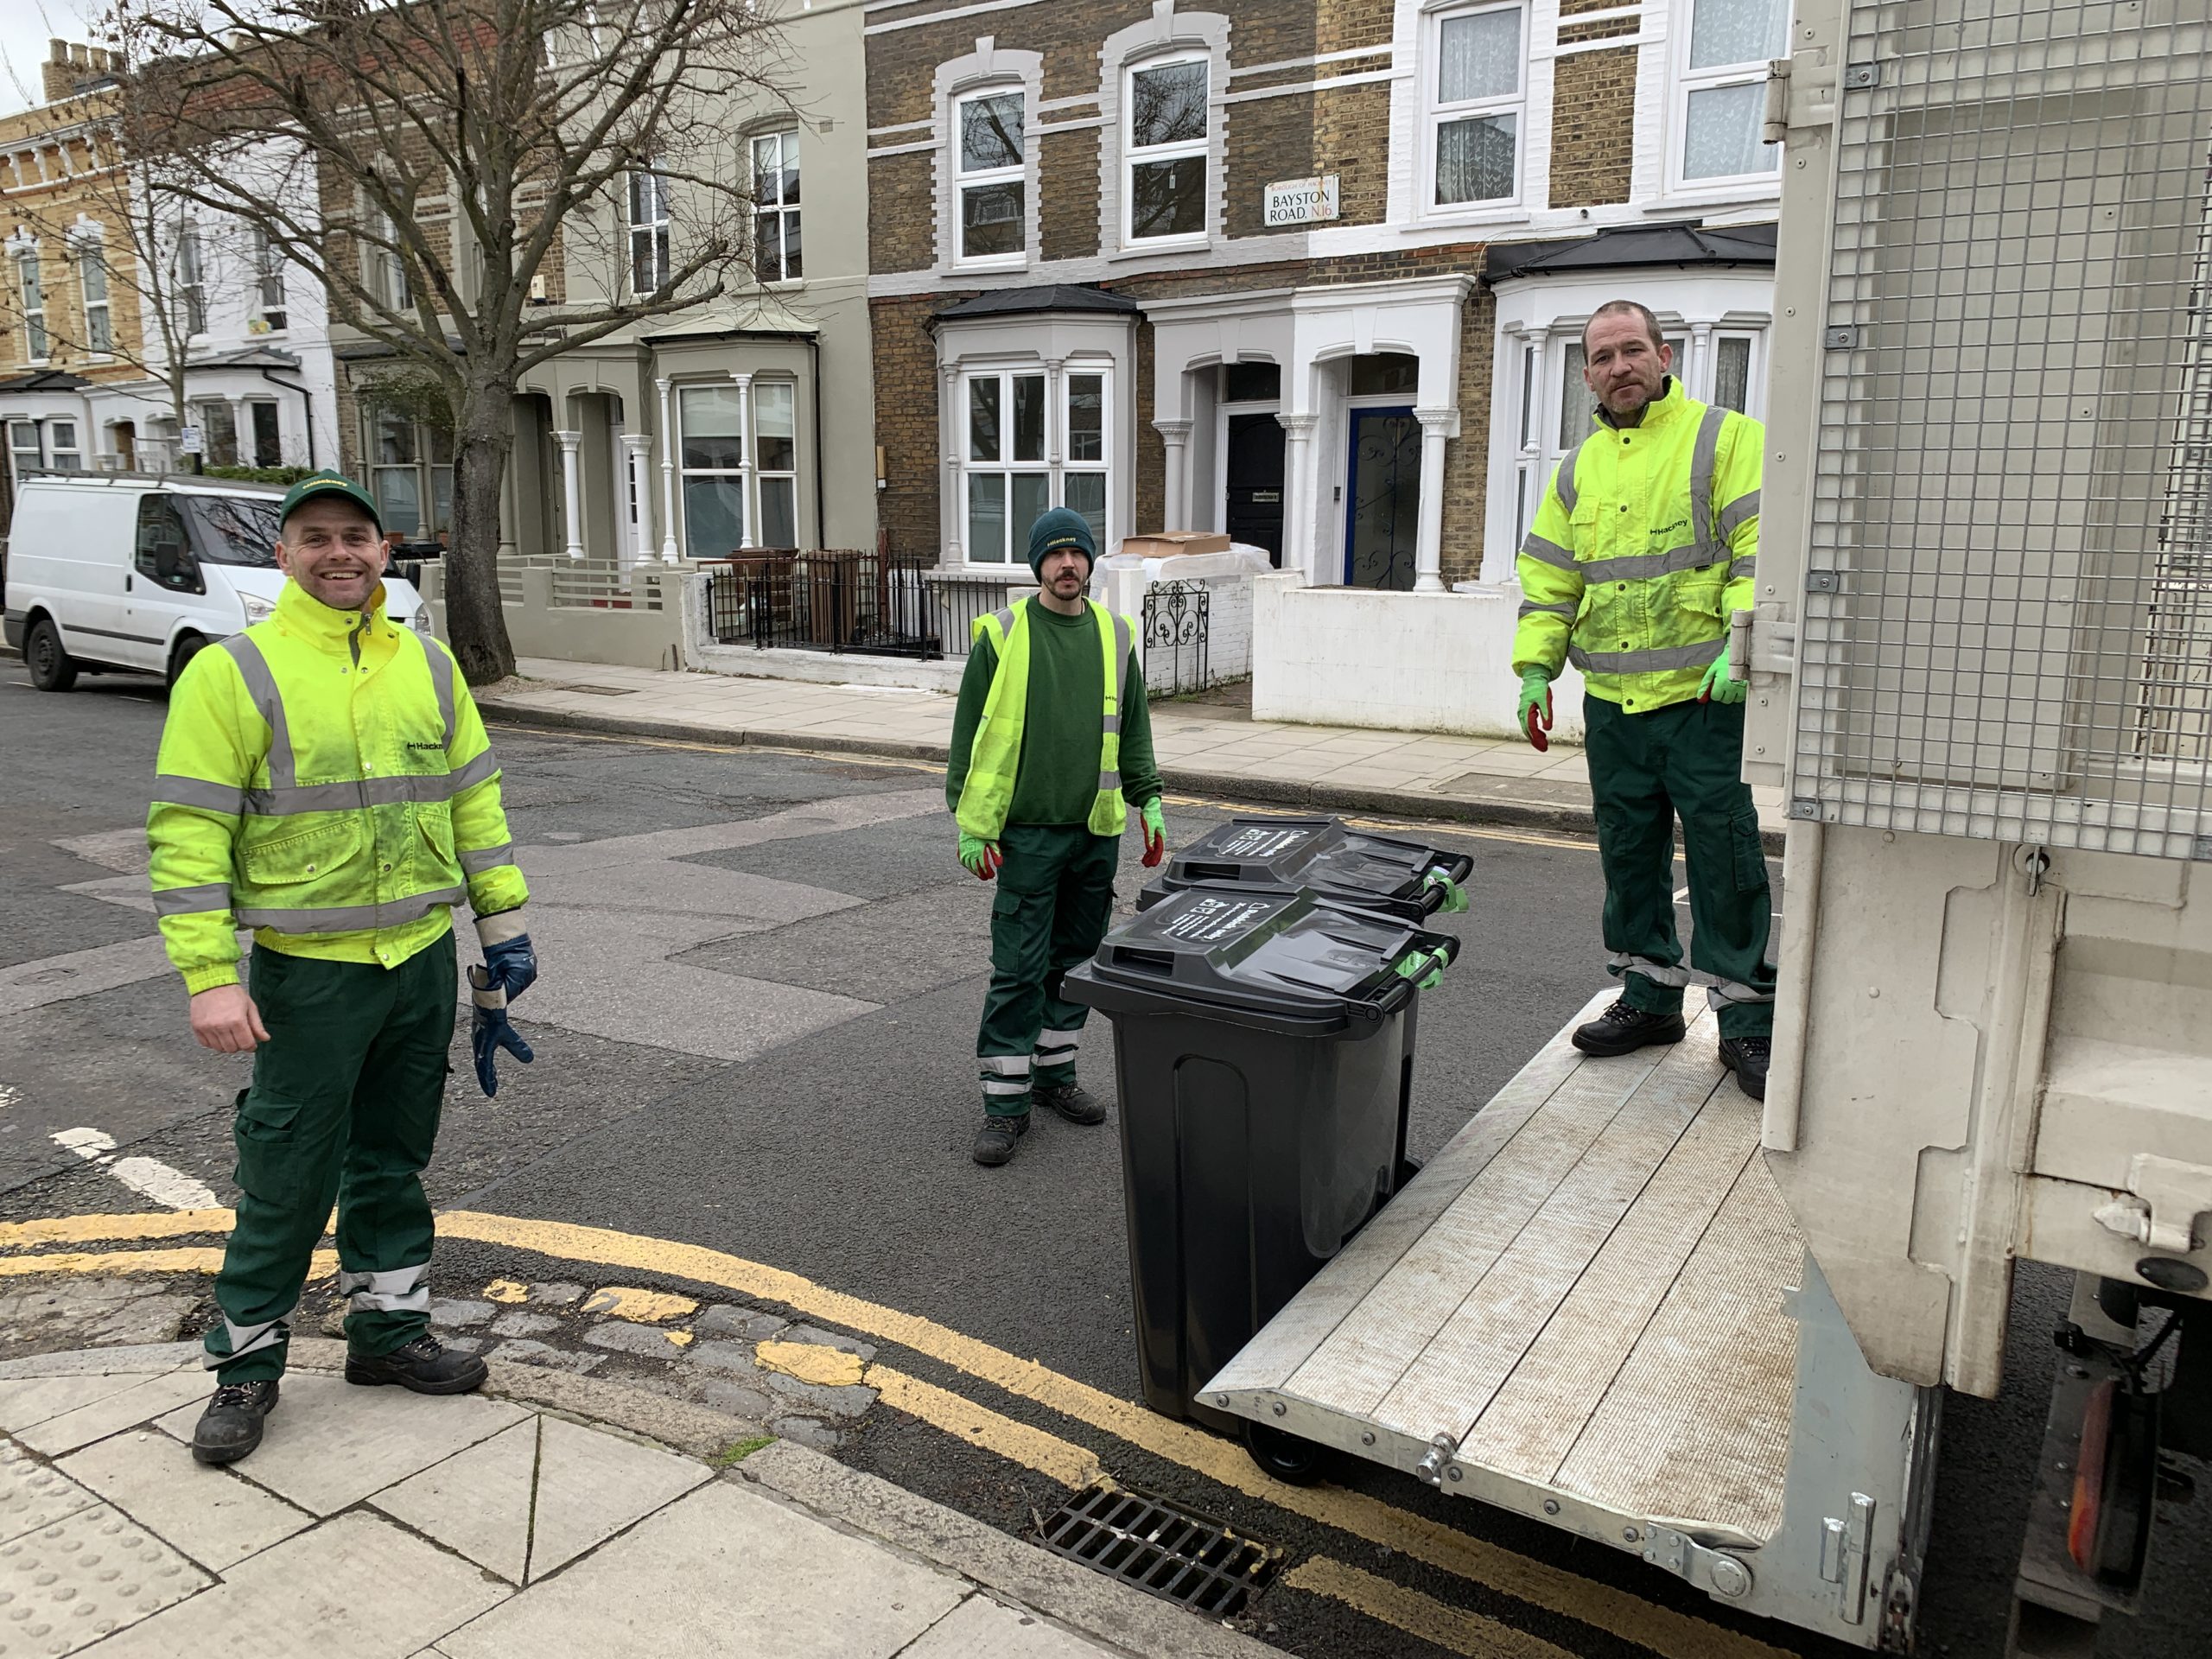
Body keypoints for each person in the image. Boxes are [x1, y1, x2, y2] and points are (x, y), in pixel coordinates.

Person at [148, 470, 538, 1465]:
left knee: (393, 1161)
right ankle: (245, 1367)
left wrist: (501, 930)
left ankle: (389, 1333)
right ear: (283, 555)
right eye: (315, 538)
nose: (338, 554)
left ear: (384, 549)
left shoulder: (430, 665)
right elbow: (188, 833)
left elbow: (473, 805)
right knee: (286, 1173)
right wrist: (208, 975)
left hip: (417, 961)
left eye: (355, 536)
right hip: (306, 973)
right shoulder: (236, 672)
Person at [1512, 300, 1775, 1098]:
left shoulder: (1724, 438)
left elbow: (1760, 548)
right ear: (1586, 373)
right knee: (1630, 857)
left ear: (1664, 355)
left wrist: (1743, 644)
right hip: (1614, 704)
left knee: (1725, 860)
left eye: (1633, 351)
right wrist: (1533, 670)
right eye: (1602, 357)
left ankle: (1746, 1023)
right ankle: (1648, 1000)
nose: (1619, 367)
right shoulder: (1574, 470)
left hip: (1704, 699)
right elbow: (1551, 581)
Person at [946, 508, 1167, 1166]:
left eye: (1077, 555)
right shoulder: (1002, 633)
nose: (1067, 566)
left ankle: (1053, 1078)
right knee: (1018, 969)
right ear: (1037, 565)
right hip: (1026, 836)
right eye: (1055, 556)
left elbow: (1133, 729)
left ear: (1091, 563)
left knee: (1073, 967)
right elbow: (970, 735)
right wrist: (966, 818)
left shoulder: (1116, 634)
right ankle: (1004, 1107)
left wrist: (1148, 799)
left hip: (1094, 833)